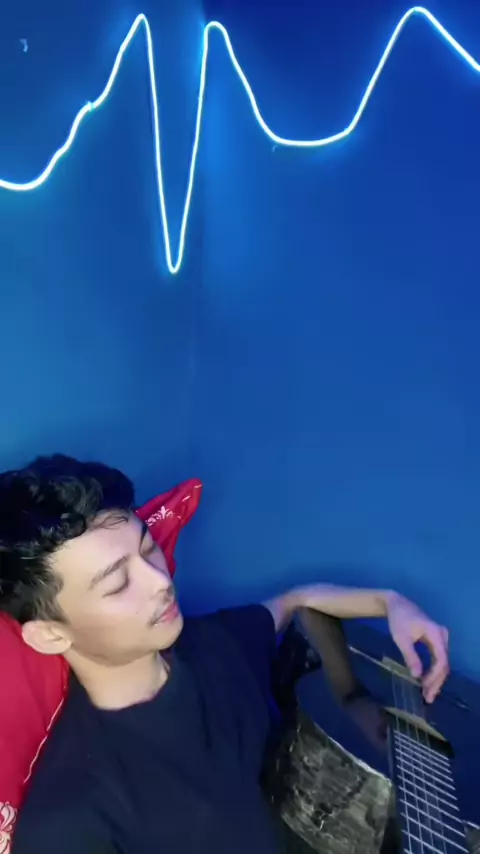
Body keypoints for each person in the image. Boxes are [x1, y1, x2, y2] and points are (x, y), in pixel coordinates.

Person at [0, 454, 449, 854]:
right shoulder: (69, 820)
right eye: (118, 584)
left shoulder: (215, 643)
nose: (160, 581)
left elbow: (295, 601)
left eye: (148, 548)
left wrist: (390, 602)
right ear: (50, 636)